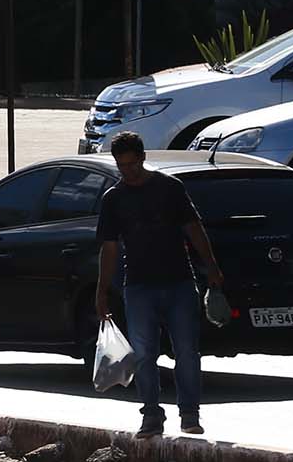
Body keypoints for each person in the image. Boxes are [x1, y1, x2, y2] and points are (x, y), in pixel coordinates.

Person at [96, 130, 226, 437]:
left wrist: (212, 267)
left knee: (186, 351)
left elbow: (194, 229)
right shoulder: (113, 199)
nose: (128, 171)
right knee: (143, 354)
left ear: (142, 158)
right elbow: (109, 247)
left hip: (179, 282)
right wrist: (102, 291)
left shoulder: (170, 188)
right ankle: (151, 415)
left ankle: (190, 414)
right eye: (121, 166)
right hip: (138, 286)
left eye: (132, 164)